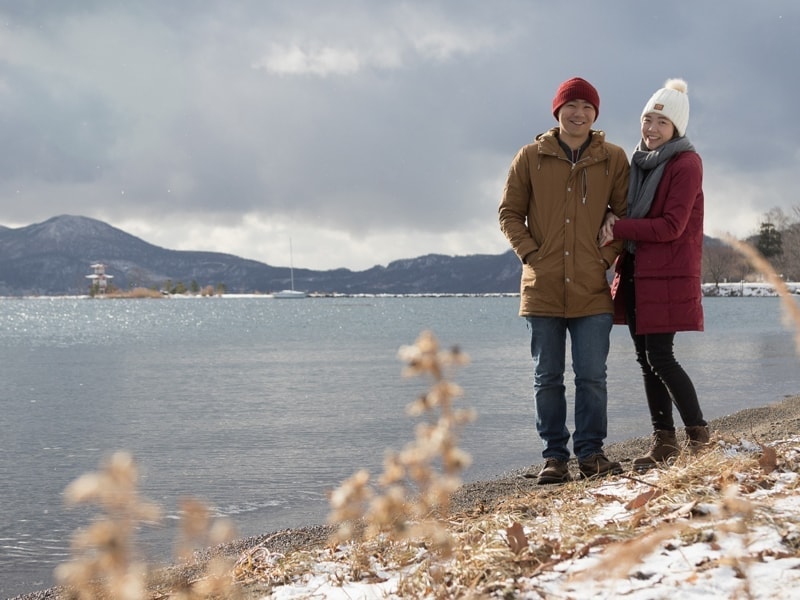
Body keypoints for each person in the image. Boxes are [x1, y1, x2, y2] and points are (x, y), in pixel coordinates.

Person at [499, 77, 629, 484]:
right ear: (557, 111)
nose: (579, 113)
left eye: (587, 107)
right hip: (543, 288)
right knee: (547, 377)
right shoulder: (530, 157)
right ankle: (554, 457)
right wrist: (532, 255)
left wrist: (603, 259)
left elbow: (625, 219)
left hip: (591, 288)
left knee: (592, 376)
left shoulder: (613, 159)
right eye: (571, 105)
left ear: (596, 114)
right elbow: (508, 214)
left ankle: (591, 454)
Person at [599, 78, 709, 471]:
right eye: (647, 119)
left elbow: (670, 226)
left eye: (661, 123)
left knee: (661, 356)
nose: (651, 128)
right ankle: (665, 442)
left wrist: (618, 226)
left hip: (667, 276)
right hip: (635, 273)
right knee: (646, 360)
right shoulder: (639, 163)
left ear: (676, 128)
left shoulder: (685, 163)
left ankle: (699, 437)